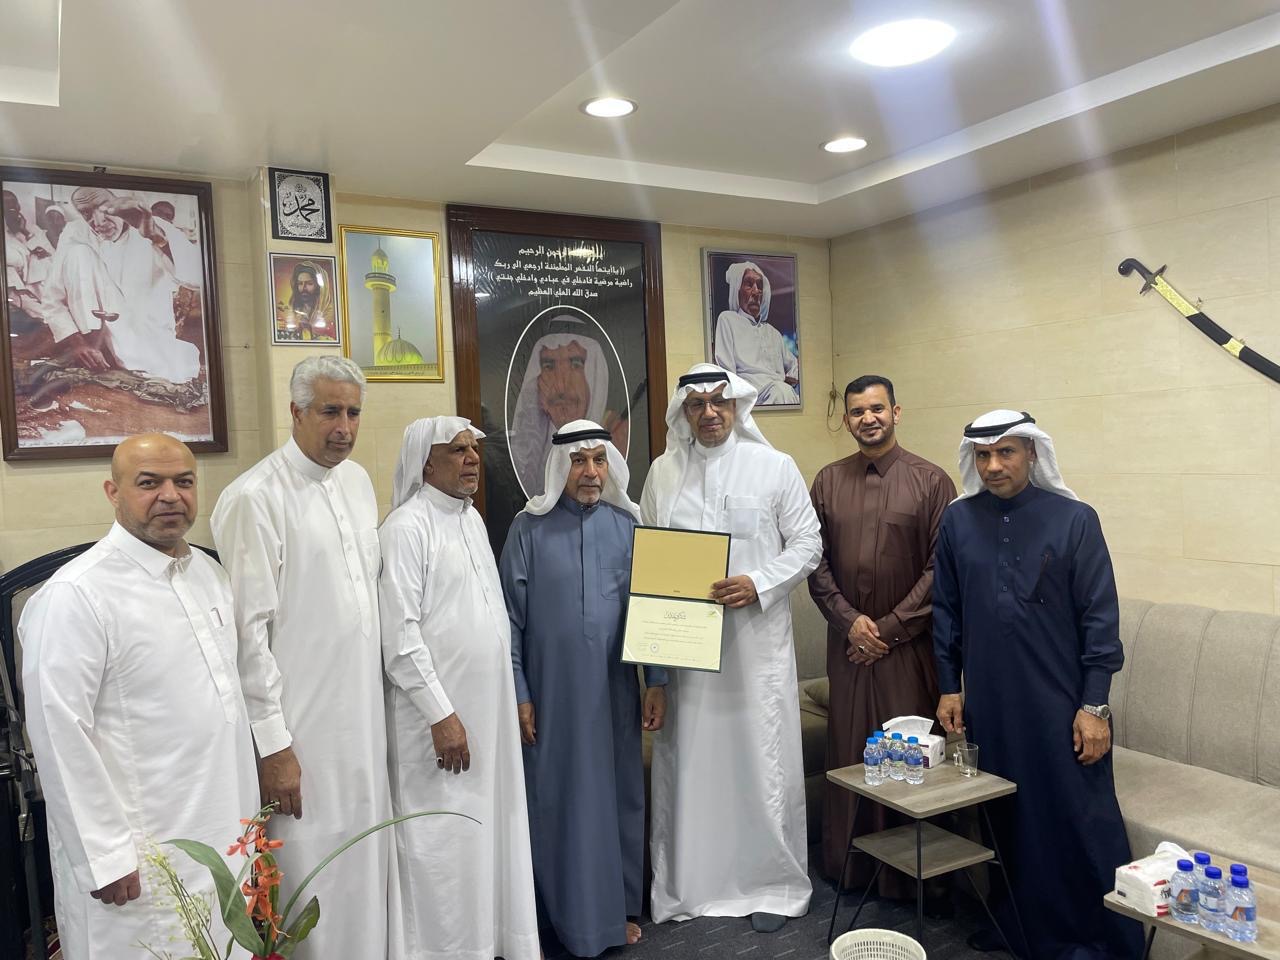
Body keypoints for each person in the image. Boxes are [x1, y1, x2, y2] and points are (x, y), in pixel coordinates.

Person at [19, 434, 258, 959]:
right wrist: (103, 856)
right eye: (149, 483)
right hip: (138, 853)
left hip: (220, 826)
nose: (171, 496)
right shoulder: (76, 595)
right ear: (113, 492)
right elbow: (59, 735)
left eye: (184, 481)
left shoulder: (209, 574)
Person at [932, 409, 1143, 959]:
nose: (993, 466)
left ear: (1031, 452)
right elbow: (947, 610)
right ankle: (1020, 933)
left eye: (1006, 452)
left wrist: (1095, 706)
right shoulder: (957, 522)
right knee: (1006, 819)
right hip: (991, 705)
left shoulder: (1075, 519)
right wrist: (949, 686)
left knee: (1079, 822)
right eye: (983, 455)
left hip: (1062, 705)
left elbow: (1100, 619)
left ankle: (1099, 943)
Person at [211, 356, 397, 960]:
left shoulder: (357, 482)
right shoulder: (254, 498)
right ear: (294, 412)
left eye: (353, 413)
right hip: (301, 732)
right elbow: (248, 635)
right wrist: (274, 746)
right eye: (329, 412)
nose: (344, 427)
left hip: (362, 720)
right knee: (311, 869)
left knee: (364, 860)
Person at [641, 362, 821, 932]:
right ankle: (692, 884)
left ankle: (771, 882)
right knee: (691, 765)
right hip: (687, 656)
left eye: (719, 402)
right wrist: (654, 670)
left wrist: (758, 583)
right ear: (684, 413)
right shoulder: (662, 473)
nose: (710, 413)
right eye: (697, 405)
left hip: (755, 651)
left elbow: (808, 543)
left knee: (761, 761)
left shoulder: (774, 466)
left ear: (738, 405)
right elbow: (650, 562)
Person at [499, 420, 668, 956]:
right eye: (578, 461)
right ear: (559, 468)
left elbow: (651, 611)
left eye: (599, 460)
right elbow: (509, 621)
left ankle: (613, 913)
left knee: (616, 798)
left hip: (613, 693)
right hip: (550, 698)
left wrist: (657, 681)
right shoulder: (527, 530)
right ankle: (555, 916)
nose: (590, 472)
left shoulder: (628, 525)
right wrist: (520, 692)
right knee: (558, 801)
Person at [379, 416, 539, 960]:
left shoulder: (470, 518)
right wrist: (440, 715)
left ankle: (487, 943)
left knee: (485, 835)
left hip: (485, 716)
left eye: (474, 449)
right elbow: (400, 638)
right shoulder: (406, 528)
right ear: (426, 463)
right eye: (458, 450)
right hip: (437, 725)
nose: (472, 459)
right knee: (442, 842)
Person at [808, 375, 955, 898]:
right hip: (849, 649)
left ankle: (911, 881)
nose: (867, 418)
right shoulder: (827, 481)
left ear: (896, 412)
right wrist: (850, 622)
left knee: (907, 757)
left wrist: (887, 629)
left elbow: (941, 570)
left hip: (908, 650)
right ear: (847, 420)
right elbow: (813, 562)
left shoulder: (932, 481)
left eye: (877, 408)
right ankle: (851, 869)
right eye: (857, 412)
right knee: (852, 757)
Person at [40, 186, 202, 381]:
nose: (98, 221)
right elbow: (52, 298)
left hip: (148, 339)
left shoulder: (155, 224)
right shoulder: (75, 232)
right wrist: (78, 344)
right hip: (97, 339)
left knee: (169, 368)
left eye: (105, 208)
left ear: (120, 201)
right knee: (78, 253)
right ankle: (95, 348)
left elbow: (197, 278)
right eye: (86, 213)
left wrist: (155, 236)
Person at [509, 328, 612, 497]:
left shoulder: (616, 437)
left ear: (595, 377)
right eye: (549, 366)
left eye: (576, 364)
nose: (561, 385)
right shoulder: (522, 458)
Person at [713, 261, 799, 405]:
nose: (756, 292)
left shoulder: (773, 333)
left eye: (759, 286)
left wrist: (788, 379)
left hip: (780, 393)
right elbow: (726, 370)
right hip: (750, 399)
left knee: (785, 393)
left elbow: (794, 366)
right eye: (749, 284)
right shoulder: (728, 320)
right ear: (737, 290)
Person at [3, 188, 54, 324]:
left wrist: (25, 232)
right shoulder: (4, 235)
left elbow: (50, 255)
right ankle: (45, 315)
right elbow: (14, 260)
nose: (11, 208)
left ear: (18, 206)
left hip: (41, 283)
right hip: (16, 285)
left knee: (41, 261)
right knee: (10, 272)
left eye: (13, 203)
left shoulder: (32, 229)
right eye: (6, 205)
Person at [276, 260, 336, 341]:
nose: (303, 288)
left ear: (319, 287)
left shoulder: (330, 314)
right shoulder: (292, 310)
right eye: (300, 283)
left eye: (309, 283)